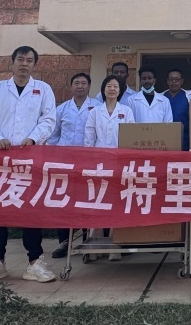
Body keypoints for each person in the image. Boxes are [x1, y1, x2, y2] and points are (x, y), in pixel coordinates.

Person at [0, 46, 57, 284]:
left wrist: (33, 138)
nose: (24, 64)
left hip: (30, 159)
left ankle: (34, 262)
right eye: (20, 59)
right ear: (12, 62)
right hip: (0, 159)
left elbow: (48, 118)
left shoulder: (43, 89)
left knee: (31, 210)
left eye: (29, 60)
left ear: (34, 65)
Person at [84, 75, 136, 261]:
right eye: (109, 86)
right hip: (98, 163)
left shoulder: (127, 111)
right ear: (103, 90)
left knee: (116, 203)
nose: (112, 89)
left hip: (119, 163)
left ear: (120, 91)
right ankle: (94, 246)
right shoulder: (94, 112)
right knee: (97, 203)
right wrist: (89, 161)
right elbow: (89, 138)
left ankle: (115, 245)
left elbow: (130, 137)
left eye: (115, 86)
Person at [47, 72, 99, 259]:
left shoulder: (97, 107)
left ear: (89, 87)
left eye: (84, 83)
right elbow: (53, 135)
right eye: (76, 83)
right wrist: (55, 155)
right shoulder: (62, 109)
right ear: (71, 86)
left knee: (87, 200)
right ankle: (64, 242)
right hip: (65, 162)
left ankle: (87, 239)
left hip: (88, 162)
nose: (80, 86)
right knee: (64, 201)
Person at [164, 68, 191, 151]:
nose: (174, 82)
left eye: (177, 79)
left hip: (184, 139)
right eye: (171, 79)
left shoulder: (189, 97)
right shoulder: (161, 97)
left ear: (181, 81)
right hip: (164, 138)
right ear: (167, 81)